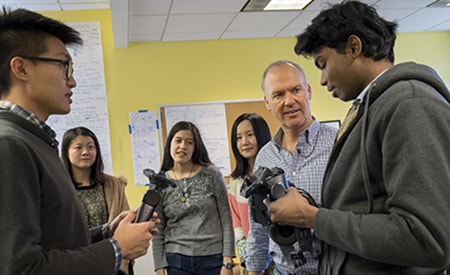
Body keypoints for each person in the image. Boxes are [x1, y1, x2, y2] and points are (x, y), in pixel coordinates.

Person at [268, 1, 450, 274]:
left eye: (324, 64)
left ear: (354, 47)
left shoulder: (410, 104)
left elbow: (427, 238)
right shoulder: (372, 108)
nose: (321, 79)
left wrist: (313, 218)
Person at [0, 7, 157, 275]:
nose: (72, 81)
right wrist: (117, 248)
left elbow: (56, 242)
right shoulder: (10, 144)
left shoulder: (35, 140)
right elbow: (21, 267)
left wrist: (108, 232)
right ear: (21, 68)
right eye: (64, 66)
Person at [245, 60, 338, 275]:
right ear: (267, 102)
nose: (289, 101)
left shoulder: (339, 144)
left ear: (308, 91)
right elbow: (258, 226)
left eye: (296, 90)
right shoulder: (265, 157)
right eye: (278, 95)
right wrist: (253, 270)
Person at [152, 120, 235, 275]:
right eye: (178, 141)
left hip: (213, 259)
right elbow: (158, 227)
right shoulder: (160, 182)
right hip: (176, 260)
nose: (182, 146)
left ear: (195, 148)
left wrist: (228, 261)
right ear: (170, 143)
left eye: (189, 142)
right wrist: (159, 267)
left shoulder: (212, 174)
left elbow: (226, 218)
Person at [61, 126, 132, 274]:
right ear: (66, 152)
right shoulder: (60, 187)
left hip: (114, 262)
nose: (86, 152)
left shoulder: (114, 185)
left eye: (91, 147)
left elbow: (126, 224)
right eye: (78, 147)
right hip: (77, 263)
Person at [228, 113, 271, 274]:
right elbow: (236, 221)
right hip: (250, 260)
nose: (244, 142)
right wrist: (247, 257)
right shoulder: (236, 181)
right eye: (238, 138)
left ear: (261, 136)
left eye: (250, 135)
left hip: (277, 258)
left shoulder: (273, 176)